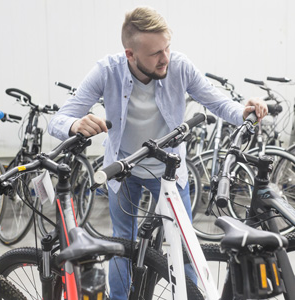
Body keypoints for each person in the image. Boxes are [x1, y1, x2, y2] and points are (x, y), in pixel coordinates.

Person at [49, 6, 268, 299]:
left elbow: (217, 102)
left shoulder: (180, 65)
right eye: (155, 53)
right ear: (130, 54)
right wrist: (75, 123)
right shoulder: (107, 71)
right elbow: (58, 120)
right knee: (122, 244)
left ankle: (192, 296)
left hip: (169, 171)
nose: (165, 58)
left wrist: (245, 111)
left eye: (167, 48)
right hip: (123, 169)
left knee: (184, 245)